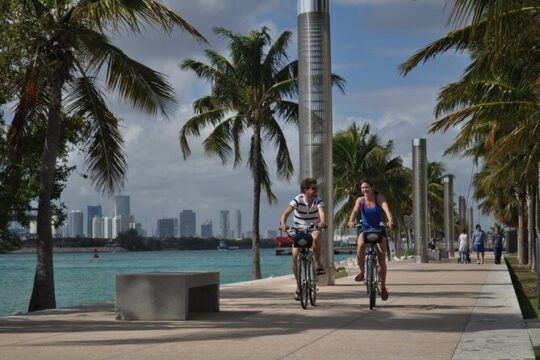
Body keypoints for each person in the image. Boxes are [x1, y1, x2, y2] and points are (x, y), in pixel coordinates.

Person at [347, 179, 394, 301]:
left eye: (367, 187)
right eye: (363, 188)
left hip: (379, 229)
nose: (364, 190)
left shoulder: (379, 198)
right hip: (366, 229)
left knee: (381, 257)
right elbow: (355, 211)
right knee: (360, 245)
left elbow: (386, 209)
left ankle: (383, 286)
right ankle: (362, 272)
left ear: (372, 187)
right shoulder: (360, 200)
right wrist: (351, 221)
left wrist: (390, 220)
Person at [280, 177, 326, 301]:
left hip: (313, 228)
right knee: (295, 254)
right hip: (298, 229)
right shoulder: (297, 200)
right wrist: (283, 223)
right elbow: (286, 213)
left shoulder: (318, 200)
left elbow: (322, 212)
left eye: (316, 188)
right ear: (305, 189)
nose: (316, 190)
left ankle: (317, 264)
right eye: (313, 188)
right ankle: (299, 286)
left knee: (316, 236)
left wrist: (322, 222)